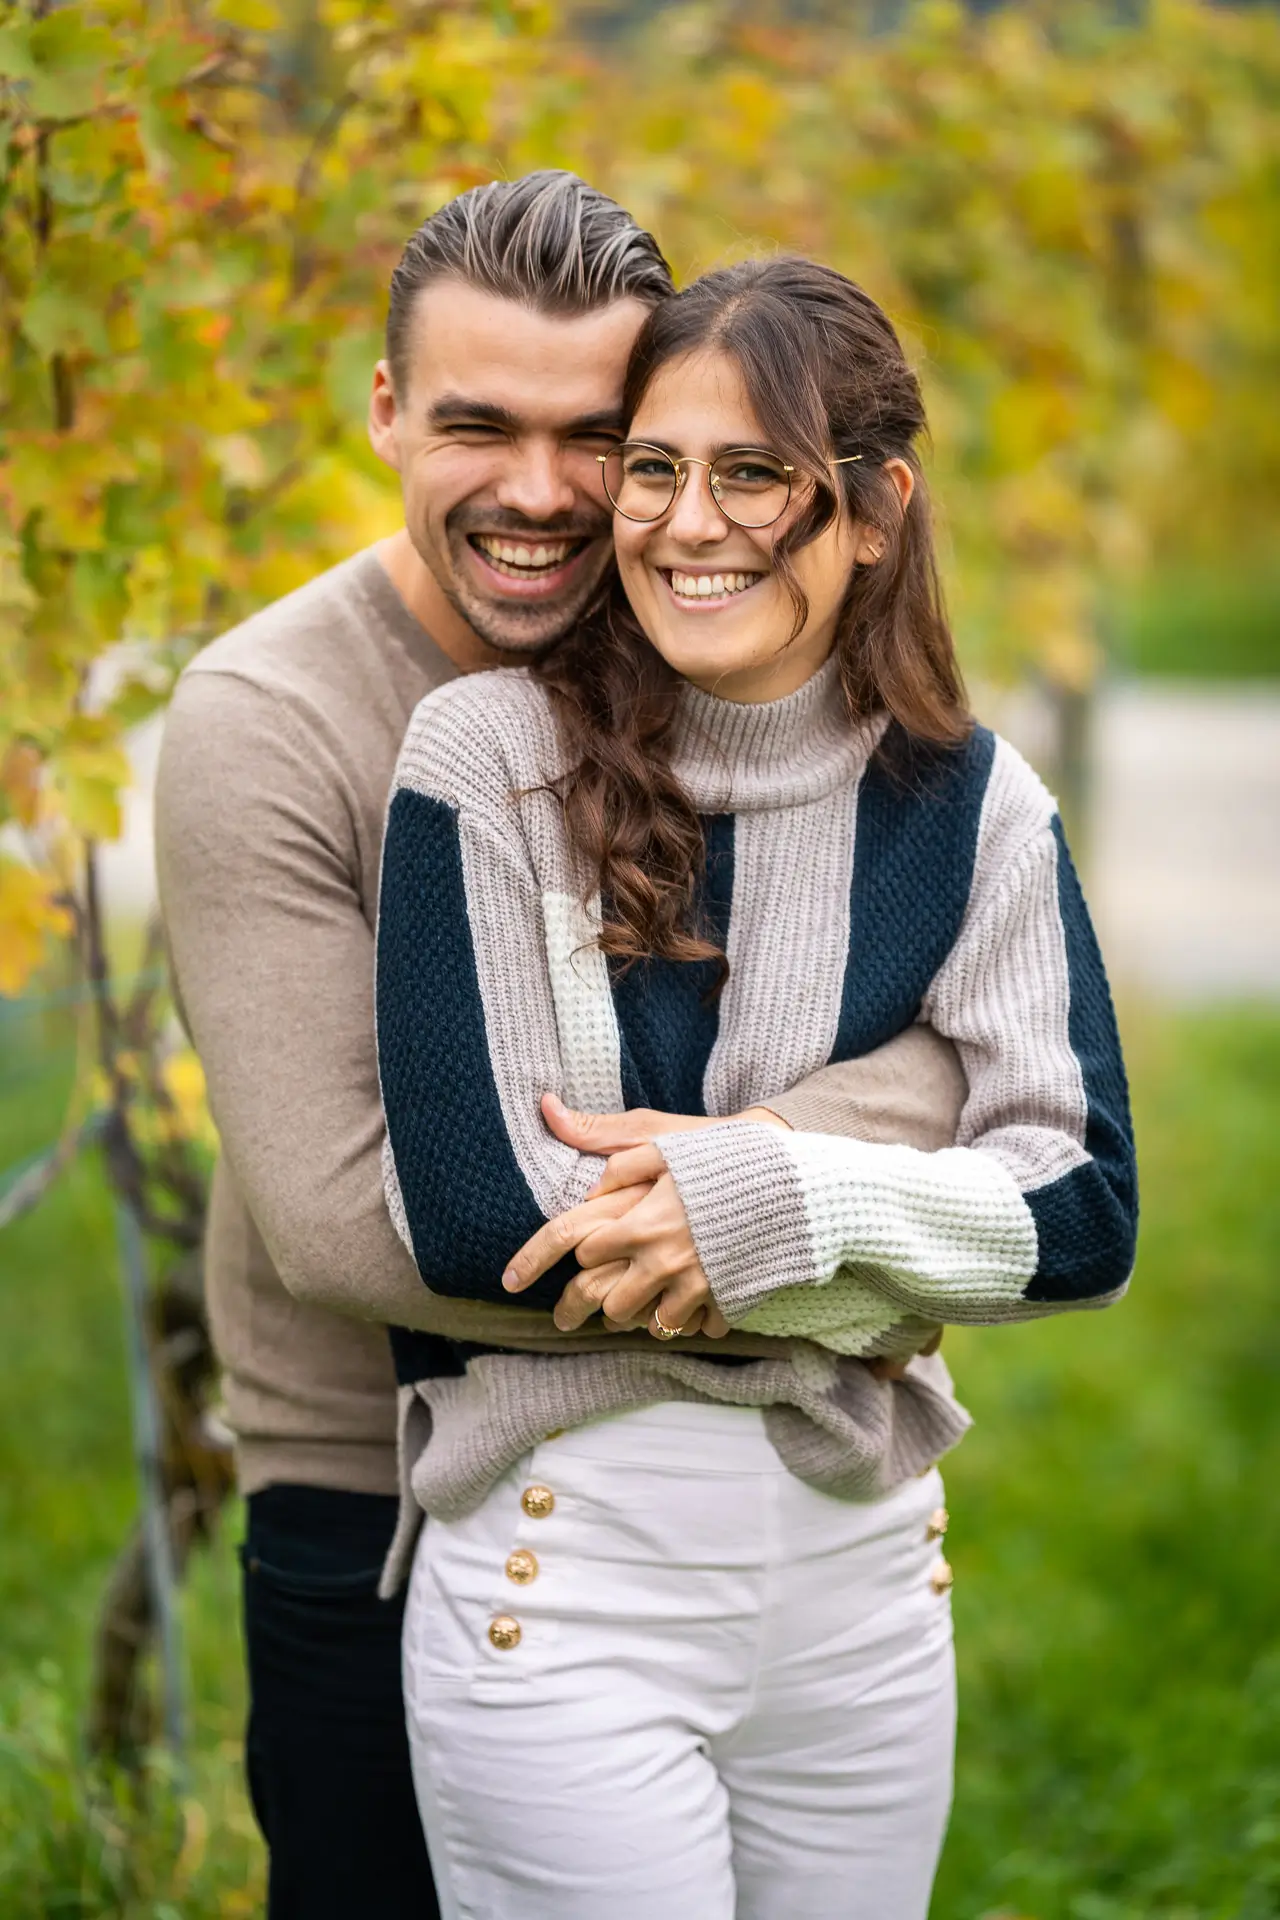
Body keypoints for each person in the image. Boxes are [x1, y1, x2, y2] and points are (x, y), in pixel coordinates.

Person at [154, 173, 969, 1920]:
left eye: (591, 435)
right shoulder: (269, 722)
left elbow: (950, 1038)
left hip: (756, 1501)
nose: (536, 494)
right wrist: (869, 1247)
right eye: (473, 425)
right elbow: (344, 1218)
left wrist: (764, 1193)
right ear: (384, 412)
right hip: (377, 1488)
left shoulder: (721, 637)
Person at [376, 255, 1139, 1918]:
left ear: (871, 510)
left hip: (866, 1592)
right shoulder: (487, 758)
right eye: (654, 467)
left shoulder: (971, 804)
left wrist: (775, 1192)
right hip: (560, 1582)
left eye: (754, 475)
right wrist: (922, 1201)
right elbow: (478, 1218)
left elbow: (1084, 1210)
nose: (684, 521)